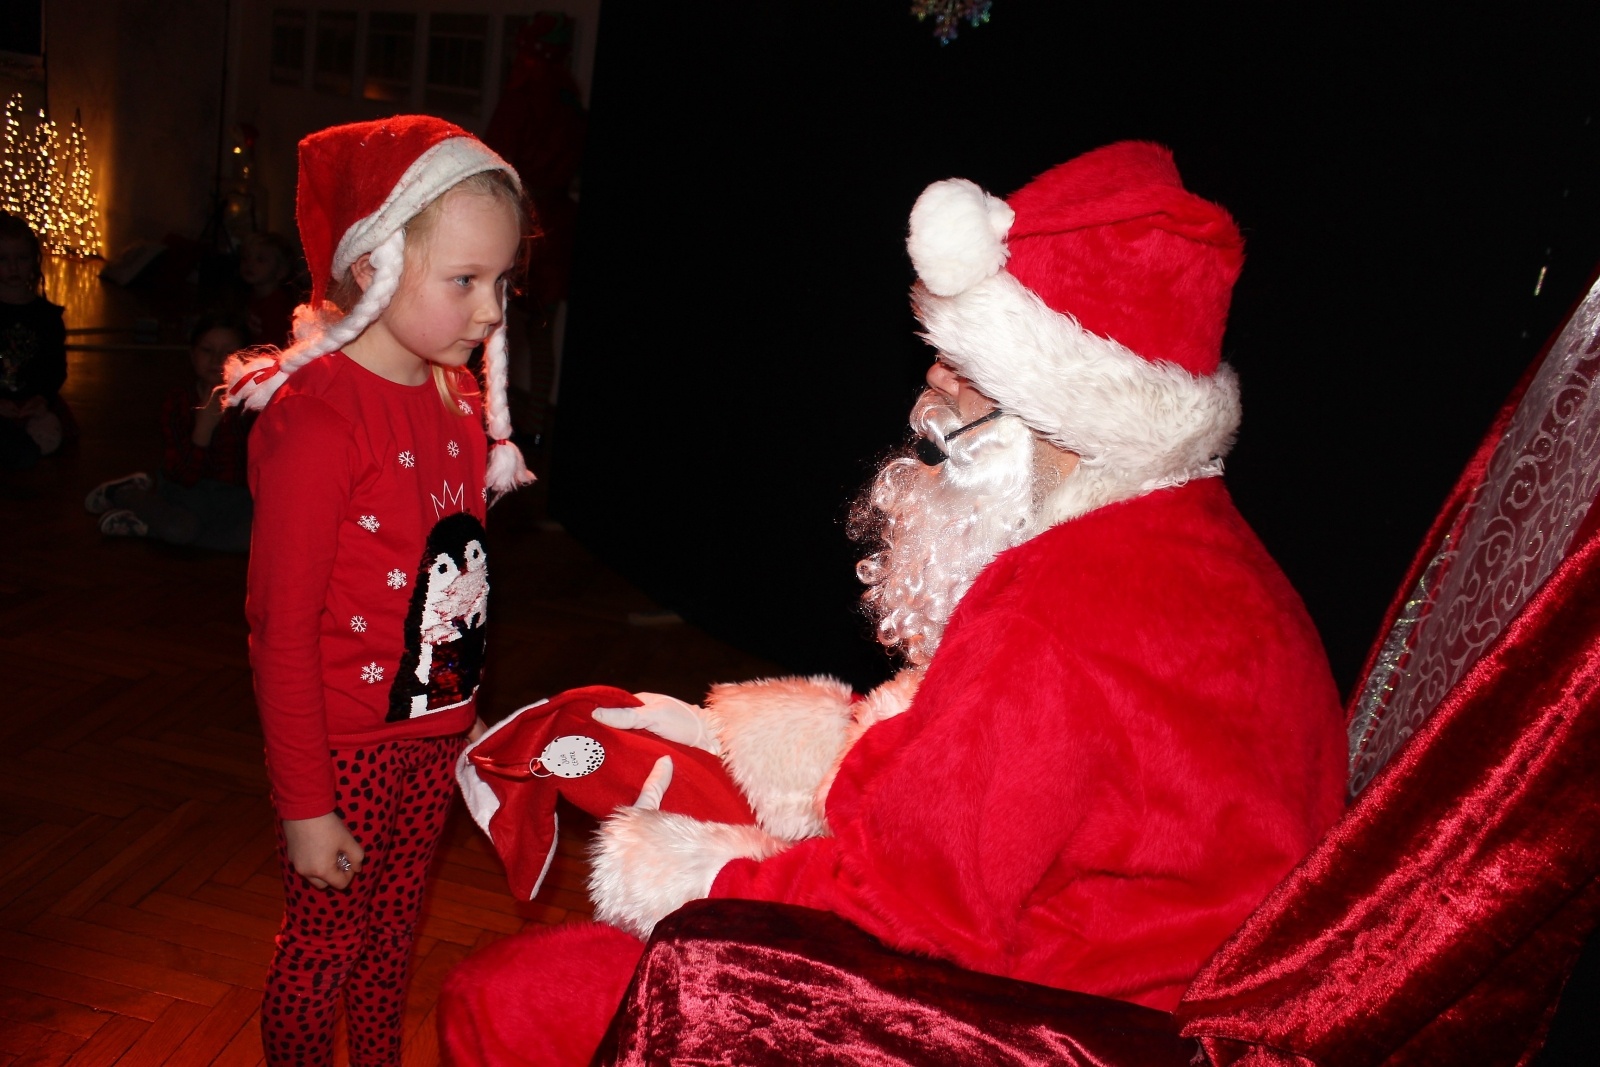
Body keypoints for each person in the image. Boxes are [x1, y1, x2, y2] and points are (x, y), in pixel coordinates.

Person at [438, 142, 1350, 1065]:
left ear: (1066, 406)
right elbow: (995, 778)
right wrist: (765, 744)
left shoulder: (1056, 614)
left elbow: (911, 905)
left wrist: (701, 873)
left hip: (1054, 1020)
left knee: (517, 996)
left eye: (967, 376)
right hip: (1160, 997)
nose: (929, 400)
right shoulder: (1195, 545)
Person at [222, 115, 534, 1065]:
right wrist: (306, 804)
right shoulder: (317, 426)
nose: (491, 311)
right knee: (322, 947)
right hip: (343, 750)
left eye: (504, 281)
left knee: (392, 938)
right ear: (374, 265)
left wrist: (460, 715)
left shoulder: (455, 402)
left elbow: (450, 592)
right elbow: (279, 633)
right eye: (465, 280)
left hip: (429, 740)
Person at [85, 313, 256, 551]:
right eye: (207, 350)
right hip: (186, 493)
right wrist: (202, 431)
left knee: (253, 537)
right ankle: (126, 494)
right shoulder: (179, 402)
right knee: (182, 528)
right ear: (192, 355)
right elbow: (180, 475)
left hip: (232, 498)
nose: (217, 360)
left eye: (228, 354)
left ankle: (148, 526)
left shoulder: (253, 406)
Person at [0, 212, 68, 469]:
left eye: (21, 258)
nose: (13, 267)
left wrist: (41, 399)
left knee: (48, 434)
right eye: (3, 259)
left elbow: (55, 368)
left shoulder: (47, 317)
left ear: (34, 261)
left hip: (30, 404)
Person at [239, 231, 300, 349]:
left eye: (260, 259)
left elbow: (276, 344)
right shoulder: (246, 297)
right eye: (245, 258)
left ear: (281, 270)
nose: (250, 264)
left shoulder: (279, 304)